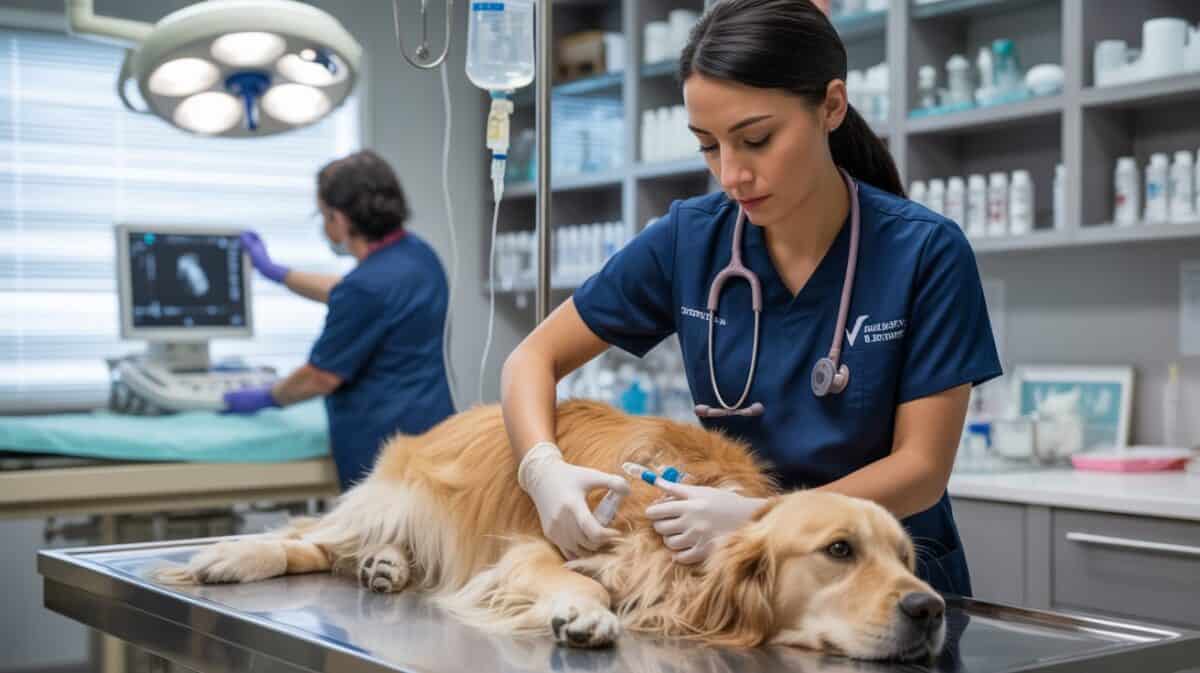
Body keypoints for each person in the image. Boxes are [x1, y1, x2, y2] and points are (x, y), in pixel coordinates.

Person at [498, 0, 1001, 596]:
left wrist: (768, 518)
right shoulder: (690, 240)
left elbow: (921, 470)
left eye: (756, 139)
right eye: (709, 146)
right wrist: (542, 469)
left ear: (831, 106)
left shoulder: (924, 251)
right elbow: (532, 358)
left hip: (884, 580)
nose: (731, 174)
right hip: (748, 581)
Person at [225, 149, 456, 491]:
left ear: (340, 218)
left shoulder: (366, 288)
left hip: (383, 450)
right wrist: (278, 273)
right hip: (433, 432)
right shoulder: (418, 254)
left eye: (322, 214)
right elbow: (353, 293)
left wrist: (265, 397)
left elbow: (319, 377)